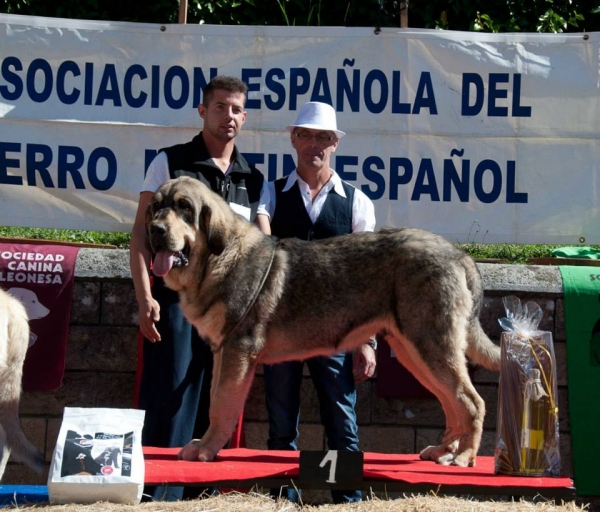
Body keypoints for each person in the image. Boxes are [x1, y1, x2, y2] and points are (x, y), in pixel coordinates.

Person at [129, 75, 270, 501]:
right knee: (172, 397)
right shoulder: (169, 163)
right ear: (202, 111)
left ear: (244, 118)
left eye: (236, 109)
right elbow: (139, 233)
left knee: (222, 403)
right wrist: (144, 295)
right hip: (176, 302)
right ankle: (161, 496)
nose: (228, 116)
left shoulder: (254, 178)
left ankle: (205, 498)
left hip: (230, 314)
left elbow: (265, 250)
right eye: (220, 106)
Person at [263, 101, 377, 504]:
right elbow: (258, 246)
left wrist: (367, 340)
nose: (315, 145)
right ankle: (283, 499)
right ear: (294, 139)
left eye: (323, 138)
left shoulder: (358, 202)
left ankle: (346, 500)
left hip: (336, 331)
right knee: (280, 424)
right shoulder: (270, 193)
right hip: (281, 329)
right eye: (307, 136)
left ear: (335, 144)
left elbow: (367, 279)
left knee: (342, 422)